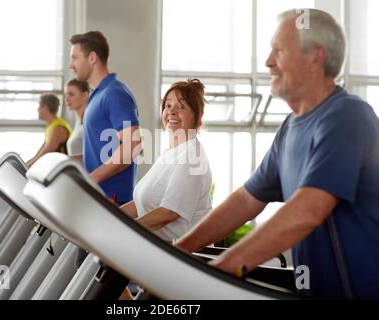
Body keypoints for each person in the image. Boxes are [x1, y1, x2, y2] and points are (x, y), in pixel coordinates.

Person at [175, 9, 379, 299]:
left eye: (279, 50)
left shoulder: (347, 116)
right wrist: (178, 250)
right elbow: (247, 199)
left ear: (315, 58)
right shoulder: (291, 128)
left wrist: (224, 268)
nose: (268, 61)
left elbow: (309, 210)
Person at [120, 79, 213, 299]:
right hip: (158, 251)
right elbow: (140, 203)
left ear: (197, 118)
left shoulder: (191, 156)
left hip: (179, 256)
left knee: (101, 268)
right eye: (168, 105)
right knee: (95, 264)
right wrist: (108, 219)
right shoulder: (170, 153)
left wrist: (124, 231)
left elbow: (168, 212)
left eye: (181, 106)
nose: (172, 111)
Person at [68, 31, 140, 205]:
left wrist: (91, 179)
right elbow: (98, 150)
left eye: (75, 58)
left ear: (92, 58)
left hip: (113, 200)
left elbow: (132, 146)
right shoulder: (96, 95)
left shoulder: (114, 93)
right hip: (97, 197)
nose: (70, 65)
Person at [27, 93, 72, 167]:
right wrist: (25, 164)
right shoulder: (51, 126)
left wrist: (26, 166)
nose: (37, 109)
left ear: (46, 107)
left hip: (62, 170)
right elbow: (39, 154)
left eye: (39, 106)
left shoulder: (58, 128)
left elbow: (43, 155)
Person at [65, 79, 89, 163]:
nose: (66, 99)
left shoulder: (89, 122)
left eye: (71, 94)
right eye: (66, 95)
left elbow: (95, 155)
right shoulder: (78, 121)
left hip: (87, 174)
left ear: (85, 95)